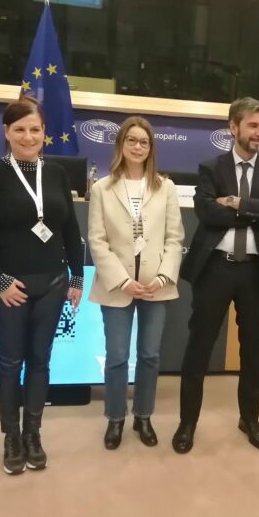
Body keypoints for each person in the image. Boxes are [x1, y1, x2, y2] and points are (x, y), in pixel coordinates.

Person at [0, 97, 84, 475]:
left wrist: (77, 277)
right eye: (19, 129)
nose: (28, 136)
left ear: (44, 133)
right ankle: (11, 436)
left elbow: (70, 228)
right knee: (10, 361)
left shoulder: (57, 173)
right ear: (6, 132)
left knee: (40, 360)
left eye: (35, 129)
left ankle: (33, 433)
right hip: (9, 287)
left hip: (53, 283)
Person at [172, 97, 259, 454]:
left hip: (256, 272)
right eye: (253, 125)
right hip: (216, 268)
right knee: (199, 347)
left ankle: (249, 419)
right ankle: (187, 422)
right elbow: (208, 214)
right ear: (233, 126)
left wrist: (237, 203)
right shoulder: (211, 168)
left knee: (253, 349)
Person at [87, 116, 184, 450]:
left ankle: (143, 416)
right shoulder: (102, 188)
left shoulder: (165, 187)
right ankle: (115, 418)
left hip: (157, 285)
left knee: (150, 355)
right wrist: (123, 281)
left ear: (151, 147)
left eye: (144, 142)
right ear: (121, 144)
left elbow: (174, 238)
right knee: (116, 356)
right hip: (117, 286)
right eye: (132, 140)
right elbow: (97, 240)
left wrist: (163, 276)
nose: (138, 147)